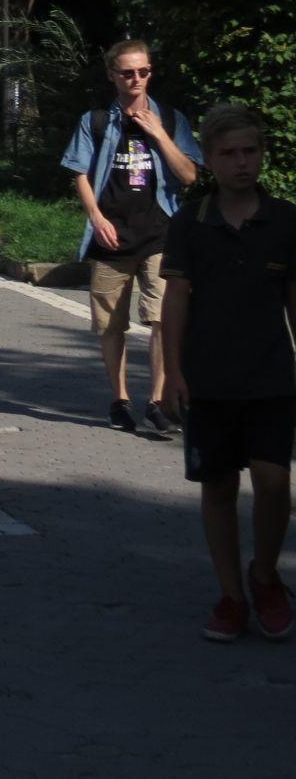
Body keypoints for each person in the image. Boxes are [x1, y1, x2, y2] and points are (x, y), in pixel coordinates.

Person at [157, 103, 294, 642]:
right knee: (217, 485)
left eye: (250, 151)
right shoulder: (191, 222)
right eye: (229, 153)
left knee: (274, 482)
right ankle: (231, 595)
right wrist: (172, 372)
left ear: (262, 154)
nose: (242, 162)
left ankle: (265, 575)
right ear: (209, 160)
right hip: (207, 376)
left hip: (271, 374)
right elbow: (176, 299)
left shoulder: (285, 220)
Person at [61, 39, 201, 434]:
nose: (136, 79)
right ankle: (120, 399)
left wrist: (159, 135)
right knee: (110, 324)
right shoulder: (96, 122)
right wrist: (96, 217)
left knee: (162, 319)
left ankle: (156, 400)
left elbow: (189, 175)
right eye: (127, 72)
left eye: (143, 71)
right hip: (112, 236)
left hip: (160, 233)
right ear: (112, 75)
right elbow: (80, 172)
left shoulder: (170, 118)